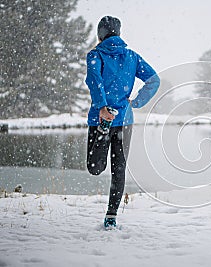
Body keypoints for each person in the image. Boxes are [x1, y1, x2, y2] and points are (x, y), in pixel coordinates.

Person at [85, 16, 160, 229]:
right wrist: (136, 102)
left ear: (100, 34)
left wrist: (101, 107)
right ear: (118, 32)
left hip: (100, 117)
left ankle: (102, 130)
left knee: (94, 168)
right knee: (119, 169)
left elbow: (94, 81)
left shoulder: (95, 55)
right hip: (125, 120)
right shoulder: (132, 56)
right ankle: (111, 215)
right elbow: (154, 80)